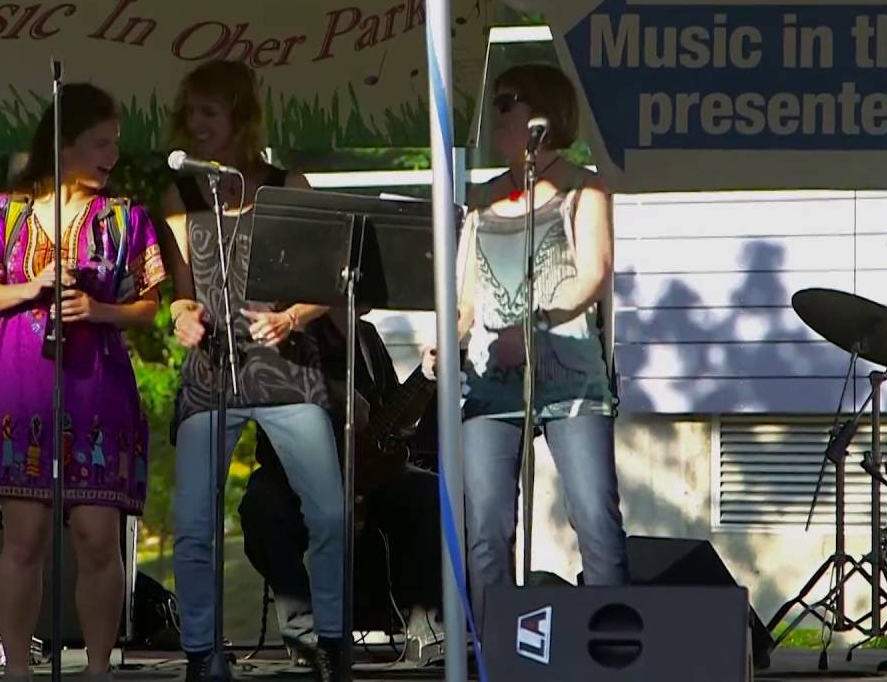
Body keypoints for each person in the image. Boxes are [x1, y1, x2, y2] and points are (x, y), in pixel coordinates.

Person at [0, 82, 166, 680]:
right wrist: (30, 286)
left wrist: (99, 312)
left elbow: (150, 305)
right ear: (63, 146)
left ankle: (98, 669)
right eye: (100, 144)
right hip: (22, 382)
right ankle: (17, 668)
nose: (112, 157)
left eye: (115, 144)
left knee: (98, 536)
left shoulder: (125, 217)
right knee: (25, 535)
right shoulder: (6, 212)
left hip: (96, 382)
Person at [159, 59, 346, 682]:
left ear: (240, 117)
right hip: (211, 374)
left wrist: (293, 317)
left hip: (287, 370)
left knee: (327, 513)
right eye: (190, 113)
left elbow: (332, 281)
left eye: (208, 113)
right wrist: (180, 316)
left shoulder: (287, 183)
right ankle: (202, 652)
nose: (196, 124)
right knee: (192, 524)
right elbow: (182, 293)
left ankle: (332, 640)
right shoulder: (181, 194)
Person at [424, 63, 628, 628]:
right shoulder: (480, 201)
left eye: (507, 102)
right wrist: (446, 339)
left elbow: (595, 273)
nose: (497, 114)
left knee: (594, 519)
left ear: (542, 114)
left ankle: (616, 648)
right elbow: (464, 298)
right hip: (491, 378)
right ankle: (494, 648)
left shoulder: (583, 188)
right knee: (486, 527)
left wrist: (536, 325)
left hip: (569, 375)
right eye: (496, 102)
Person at [239, 317, 444, 666]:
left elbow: (391, 414)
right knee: (260, 507)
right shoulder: (284, 331)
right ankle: (307, 634)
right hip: (293, 470)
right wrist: (333, 393)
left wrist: (424, 377)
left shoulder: (365, 336)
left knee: (430, 493)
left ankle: (429, 628)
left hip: (369, 470)